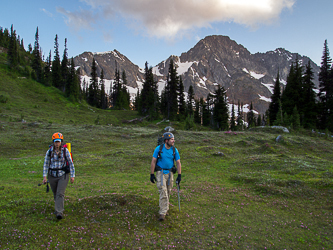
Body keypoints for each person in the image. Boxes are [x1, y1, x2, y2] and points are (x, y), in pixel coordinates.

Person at [42, 132, 75, 219]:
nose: (57, 143)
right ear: (53, 142)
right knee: (55, 193)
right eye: (56, 142)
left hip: (62, 175)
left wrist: (72, 175)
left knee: (60, 193)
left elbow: (71, 163)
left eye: (59, 141)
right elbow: (46, 164)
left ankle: (59, 212)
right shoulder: (49, 152)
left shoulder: (65, 151)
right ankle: (58, 208)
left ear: (61, 142)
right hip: (52, 175)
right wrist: (44, 176)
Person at [150, 132, 182, 221]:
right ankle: (162, 213)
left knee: (168, 191)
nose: (173, 141)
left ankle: (165, 209)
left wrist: (179, 175)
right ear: (166, 140)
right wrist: (152, 174)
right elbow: (153, 161)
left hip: (170, 173)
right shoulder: (159, 149)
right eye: (172, 139)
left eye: (173, 139)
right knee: (163, 191)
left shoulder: (174, 150)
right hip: (161, 172)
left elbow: (178, 163)